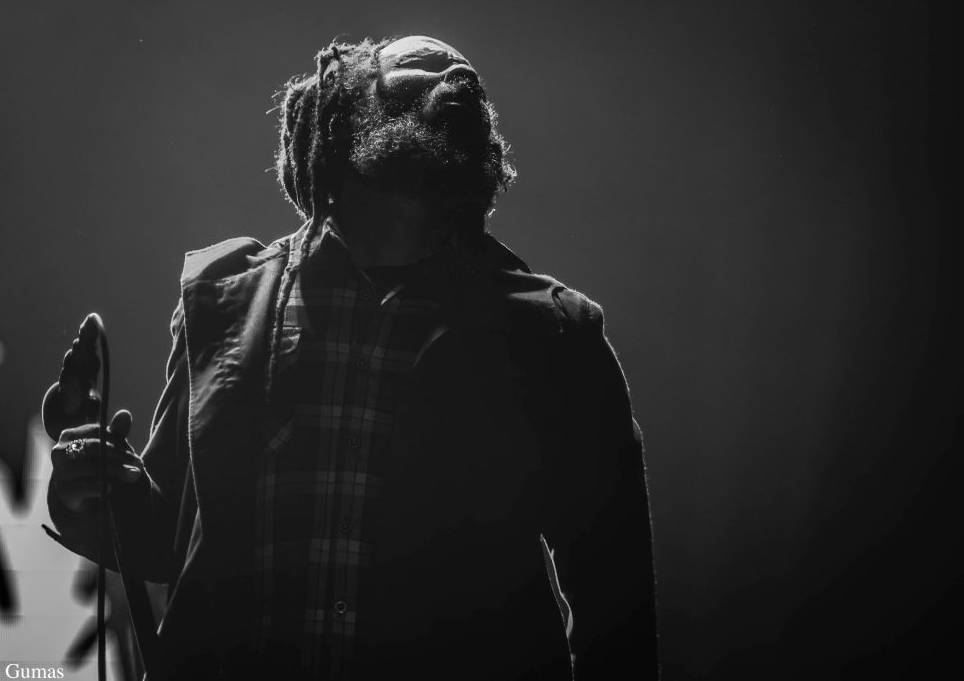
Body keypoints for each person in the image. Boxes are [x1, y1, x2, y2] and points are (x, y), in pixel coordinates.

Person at [45, 35, 658, 680]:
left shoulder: (553, 335)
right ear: (336, 118)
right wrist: (95, 489)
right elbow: (171, 537)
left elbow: (616, 607)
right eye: (411, 68)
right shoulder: (226, 302)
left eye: (461, 82)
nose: (449, 70)